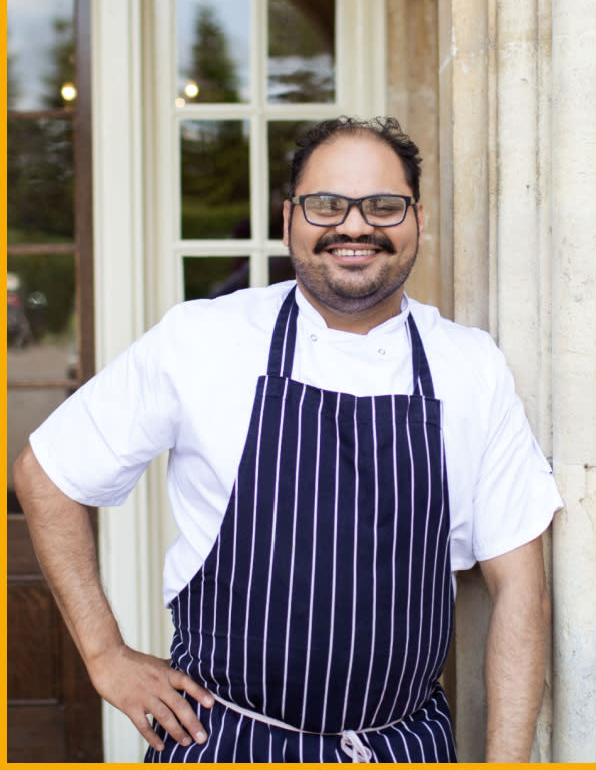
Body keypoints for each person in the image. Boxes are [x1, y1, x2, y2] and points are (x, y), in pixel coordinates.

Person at [12, 116, 563, 762]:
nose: (354, 227)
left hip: (400, 745)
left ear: (417, 220)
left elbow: (521, 590)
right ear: (288, 220)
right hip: (224, 742)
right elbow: (45, 472)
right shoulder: (203, 340)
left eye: (383, 206)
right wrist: (105, 655)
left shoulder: (471, 367)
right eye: (326, 204)